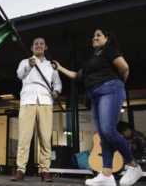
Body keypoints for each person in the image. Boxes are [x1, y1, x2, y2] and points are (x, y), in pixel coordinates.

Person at [51, 27, 142, 186]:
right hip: (93, 96)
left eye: (98, 35)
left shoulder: (109, 49)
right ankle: (107, 175)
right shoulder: (92, 58)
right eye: (93, 36)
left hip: (109, 89)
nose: (94, 38)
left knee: (109, 130)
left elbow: (124, 68)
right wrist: (59, 67)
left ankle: (133, 166)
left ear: (107, 38)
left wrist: (119, 84)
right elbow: (77, 76)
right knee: (103, 135)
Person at [11, 38, 62, 182]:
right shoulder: (24, 62)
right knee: (24, 138)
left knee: (45, 139)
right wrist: (29, 65)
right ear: (32, 48)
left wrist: (56, 91)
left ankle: (45, 171)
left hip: (45, 102)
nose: (38, 46)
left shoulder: (51, 65)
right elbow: (19, 75)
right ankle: (21, 170)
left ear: (45, 47)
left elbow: (57, 83)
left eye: (41, 44)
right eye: (36, 44)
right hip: (28, 101)